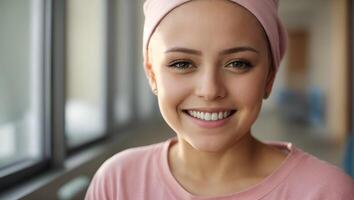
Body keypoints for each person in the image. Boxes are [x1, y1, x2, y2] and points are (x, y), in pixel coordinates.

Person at [85, 0, 354, 199]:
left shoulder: (326, 191)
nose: (210, 90)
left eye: (238, 63)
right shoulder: (117, 182)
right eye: (181, 64)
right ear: (152, 75)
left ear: (269, 77)